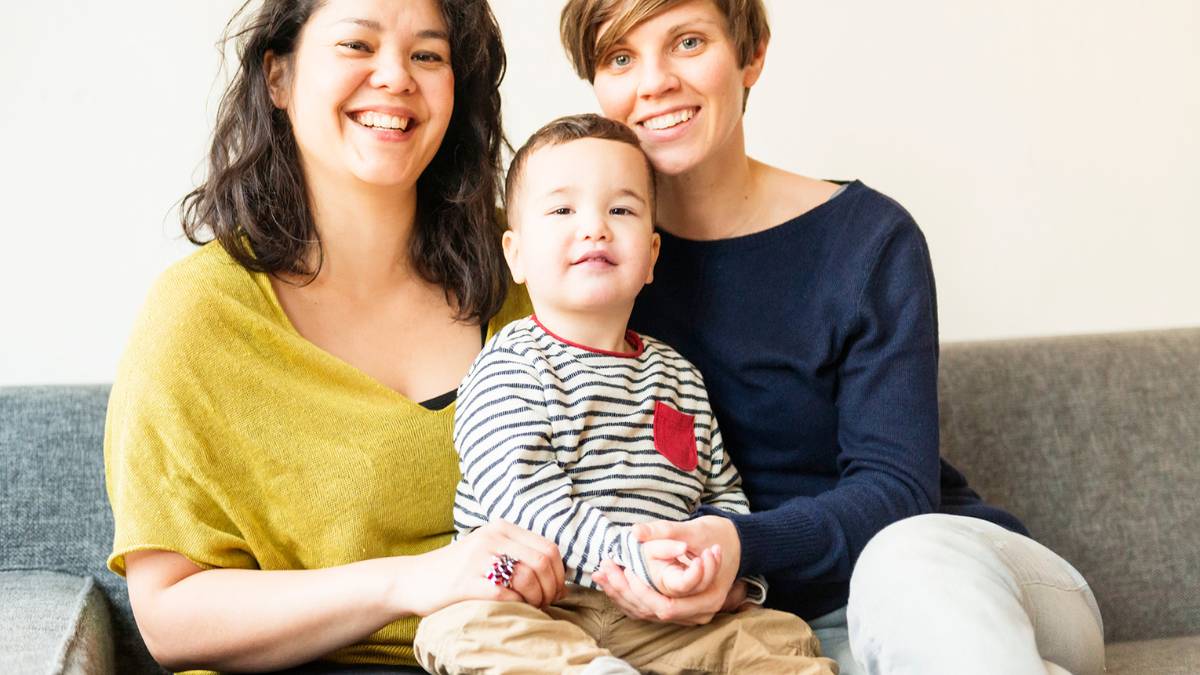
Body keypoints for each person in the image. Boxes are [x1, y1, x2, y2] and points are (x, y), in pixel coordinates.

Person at [557, 1, 1107, 673]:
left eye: (688, 42)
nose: (654, 82)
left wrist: (738, 543)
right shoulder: (583, 266)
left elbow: (899, 493)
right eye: (620, 57)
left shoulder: (867, 241)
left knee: (904, 561)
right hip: (770, 632)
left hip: (958, 579)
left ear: (751, 53)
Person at [103, 1, 566, 672]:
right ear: (278, 78)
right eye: (357, 45)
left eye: (428, 55)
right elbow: (170, 616)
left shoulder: (532, 269)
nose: (396, 76)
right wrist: (407, 581)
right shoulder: (197, 315)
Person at [412, 114, 835, 675]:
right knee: (457, 628)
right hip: (537, 601)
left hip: (661, 617)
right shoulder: (509, 364)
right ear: (515, 255)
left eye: (621, 210)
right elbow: (521, 499)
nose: (595, 228)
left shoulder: (680, 376)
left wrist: (726, 574)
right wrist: (633, 557)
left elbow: (722, 491)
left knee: (779, 637)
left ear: (653, 255)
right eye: (563, 210)